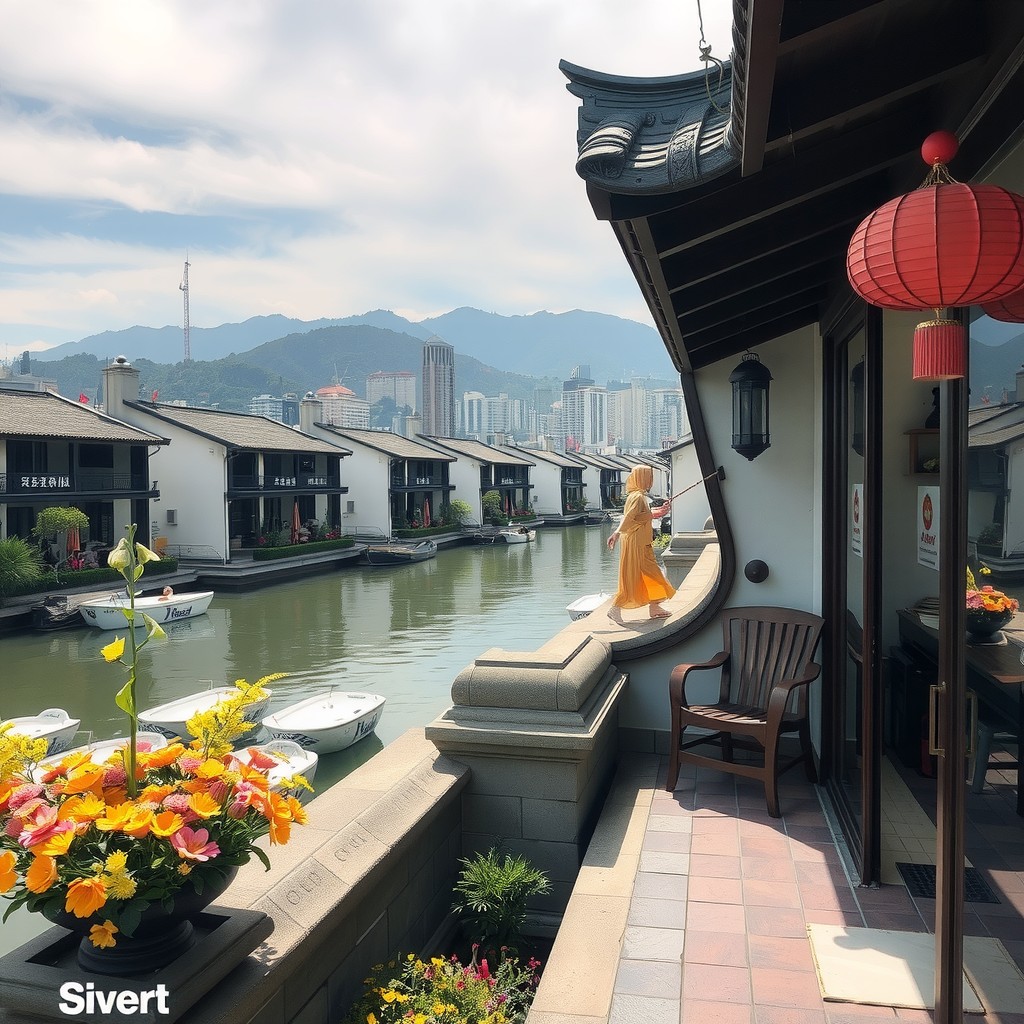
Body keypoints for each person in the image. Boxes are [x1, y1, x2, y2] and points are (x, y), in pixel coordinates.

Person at [606, 465, 675, 623]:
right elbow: (630, 518)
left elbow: (641, 516)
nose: (650, 481)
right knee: (634, 576)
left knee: (648, 575)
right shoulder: (637, 497)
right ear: (642, 478)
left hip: (639, 542)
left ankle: (654, 606)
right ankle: (616, 607)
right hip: (637, 543)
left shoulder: (636, 496)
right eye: (648, 477)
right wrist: (616, 533)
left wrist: (658, 511)